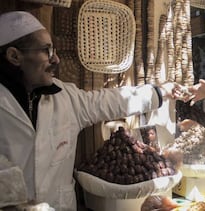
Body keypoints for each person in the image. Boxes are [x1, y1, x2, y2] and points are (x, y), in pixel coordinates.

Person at [0, 11, 183, 210]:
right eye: (47, 51)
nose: (56, 60)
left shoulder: (65, 97)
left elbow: (109, 101)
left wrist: (159, 92)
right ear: (14, 56)